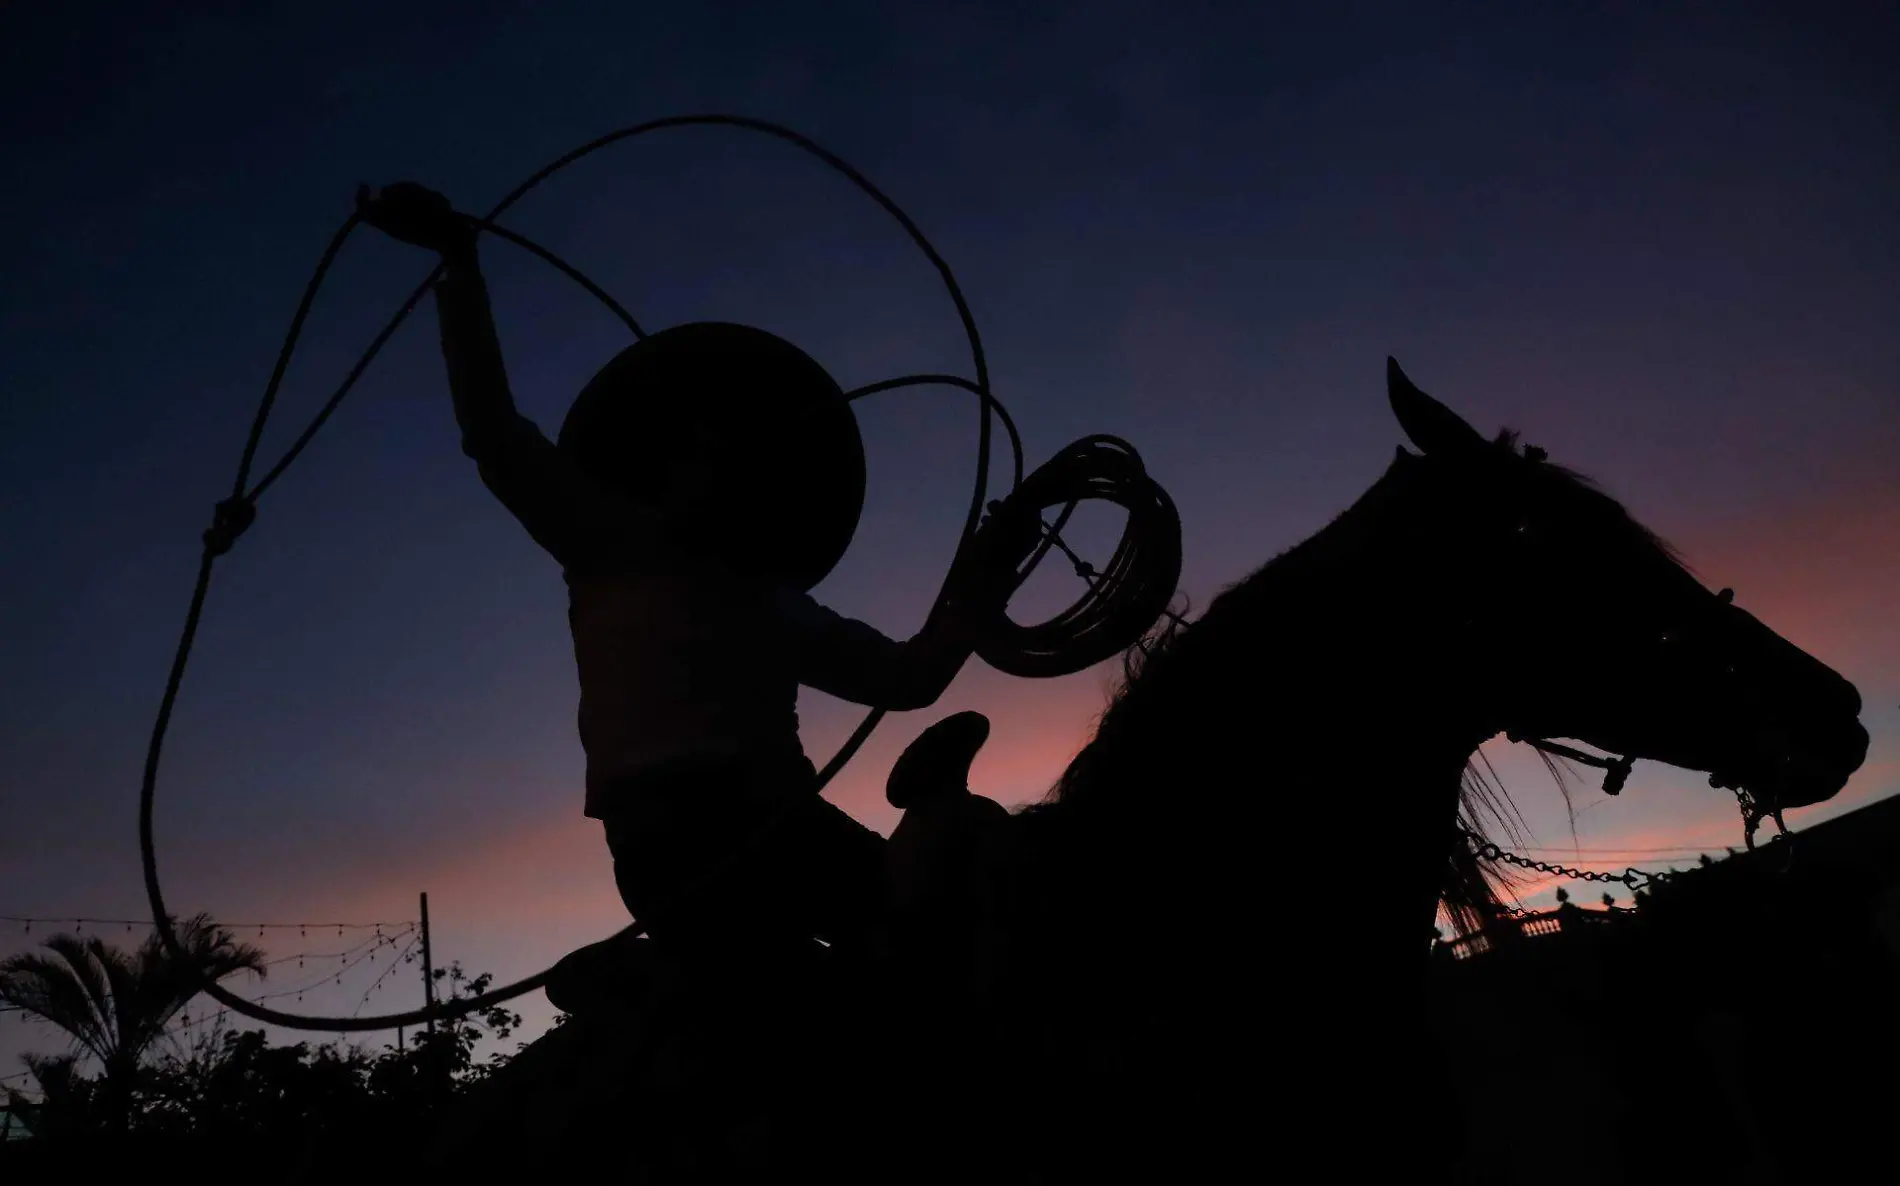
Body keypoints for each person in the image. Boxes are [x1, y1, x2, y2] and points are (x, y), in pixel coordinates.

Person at [356, 182, 1034, 985]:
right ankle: (661, 978)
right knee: (805, 973)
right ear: (661, 469)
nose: (711, 468)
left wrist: (986, 578)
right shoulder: (609, 541)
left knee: (923, 922)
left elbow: (908, 677)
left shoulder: (771, 599)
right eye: (695, 451)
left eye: (729, 456)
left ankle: (675, 971)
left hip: (767, 824)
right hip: (680, 837)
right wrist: (459, 265)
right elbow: (494, 432)